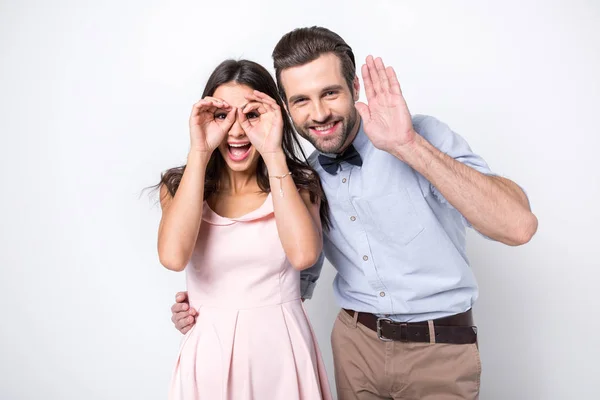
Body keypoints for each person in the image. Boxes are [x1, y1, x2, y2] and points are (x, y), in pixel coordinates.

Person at [170, 27, 538, 400]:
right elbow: (294, 268)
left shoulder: (421, 135)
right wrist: (212, 306)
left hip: (438, 348)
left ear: (355, 88)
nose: (319, 113)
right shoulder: (307, 177)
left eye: (330, 92)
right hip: (354, 349)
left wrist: (408, 146)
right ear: (285, 107)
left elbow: (518, 226)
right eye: (301, 100)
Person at [157, 59, 332, 399]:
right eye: (223, 115)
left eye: (251, 114)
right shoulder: (179, 185)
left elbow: (304, 255)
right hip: (209, 352)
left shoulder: (300, 185)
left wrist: (272, 151)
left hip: (282, 353)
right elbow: (173, 257)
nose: (236, 131)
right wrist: (200, 151)